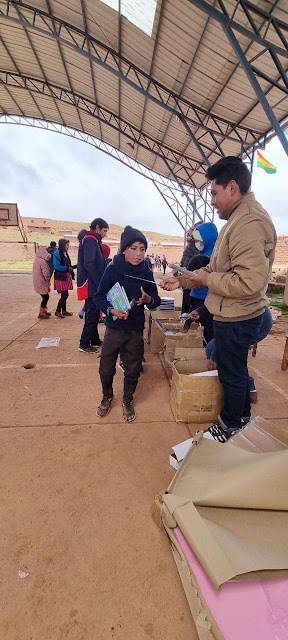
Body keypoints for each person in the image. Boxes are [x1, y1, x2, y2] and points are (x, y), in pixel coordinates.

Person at [161, 156, 277, 442]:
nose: (211, 201)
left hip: (239, 317)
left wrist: (206, 280)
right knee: (233, 370)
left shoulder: (248, 223)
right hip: (231, 314)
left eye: (214, 192)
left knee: (232, 375)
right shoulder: (237, 219)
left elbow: (248, 283)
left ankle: (229, 426)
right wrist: (185, 279)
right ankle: (242, 419)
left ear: (232, 188)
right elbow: (215, 268)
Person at [94, 225, 161, 422]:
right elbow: (99, 296)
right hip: (114, 329)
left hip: (135, 330)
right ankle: (107, 396)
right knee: (105, 368)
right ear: (123, 249)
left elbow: (155, 299)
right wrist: (111, 310)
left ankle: (127, 400)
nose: (138, 254)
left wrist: (148, 299)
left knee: (133, 368)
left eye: (142, 249)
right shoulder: (113, 269)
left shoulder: (146, 272)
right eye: (133, 248)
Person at [77, 218, 109, 353]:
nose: (105, 234)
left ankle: (94, 339)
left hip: (92, 282)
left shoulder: (93, 239)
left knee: (95, 313)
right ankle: (84, 344)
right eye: (104, 231)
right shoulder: (90, 239)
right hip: (91, 284)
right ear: (97, 228)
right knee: (92, 314)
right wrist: (99, 283)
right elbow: (89, 264)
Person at [189, 222, 218, 310]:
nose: (197, 243)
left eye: (199, 240)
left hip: (207, 299)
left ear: (207, 238)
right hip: (196, 294)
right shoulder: (202, 252)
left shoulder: (215, 256)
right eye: (196, 241)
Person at [180, 224, 200, 313]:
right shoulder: (191, 248)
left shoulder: (192, 248)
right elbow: (185, 266)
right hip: (192, 286)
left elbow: (184, 266)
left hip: (195, 288)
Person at [53, 239, 74, 318]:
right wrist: (67, 268)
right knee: (64, 295)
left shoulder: (64, 253)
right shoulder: (57, 253)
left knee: (65, 294)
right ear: (62, 245)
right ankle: (58, 311)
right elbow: (56, 266)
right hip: (61, 277)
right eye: (67, 245)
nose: (68, 246)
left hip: (65, 276)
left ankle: (64, 310)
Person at [32, 247, 51, 319]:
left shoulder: (36, 260)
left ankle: (44, 310)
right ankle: (41, 312)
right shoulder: (43, 262)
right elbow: (46, 273)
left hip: (37, 281)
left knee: (45, 296)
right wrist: (48, 279)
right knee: (46, 297)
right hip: (42, 281)